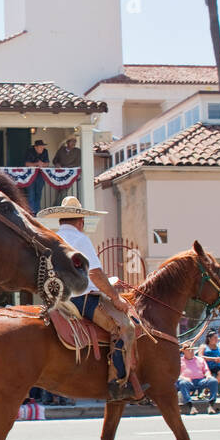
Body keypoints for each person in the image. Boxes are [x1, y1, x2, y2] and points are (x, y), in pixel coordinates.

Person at [39, 194, 140, 401]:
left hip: (56, 298)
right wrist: (116, 298)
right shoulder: (81, 239)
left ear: (61, 220)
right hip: (81, 299)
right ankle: (117, 383)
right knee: (124, 328)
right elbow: (94, 273)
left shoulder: (52, 238)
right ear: (80, 221)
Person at [177, 346, 220, 414]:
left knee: (213, 381)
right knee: (183, 383)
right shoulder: (179, 361)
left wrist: (208, 375)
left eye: (192, 350)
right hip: (188, 382)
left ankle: (211, 405)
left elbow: (206, 370)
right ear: (184, 351)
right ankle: (191, 406)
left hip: (200, 380)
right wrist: (184, 377)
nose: (191, 352)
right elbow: (176, 374)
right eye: (189, 350)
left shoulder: (200, 359)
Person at [24, 138, 50, 214]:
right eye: (40, 147)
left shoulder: (45, 151)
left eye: (43, 146)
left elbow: (47, 163)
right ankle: (31, 212)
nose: (42, 148)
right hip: (30, 176)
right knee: (31, 193)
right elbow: (26, 164)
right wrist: (36, 164)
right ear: (35, 147)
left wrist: (42, 164)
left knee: (38, 193)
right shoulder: (29, 152)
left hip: (40, 175)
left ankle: (37, 211)